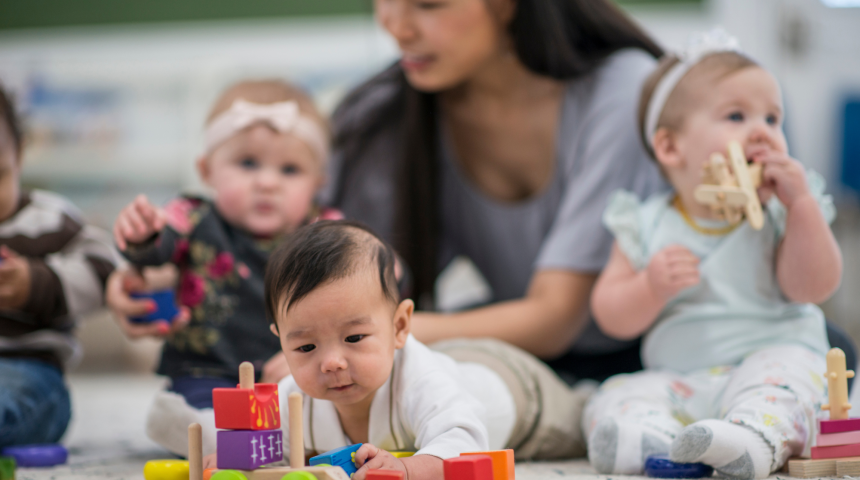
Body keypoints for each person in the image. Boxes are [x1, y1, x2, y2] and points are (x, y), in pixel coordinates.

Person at [326, 0, 666, 381]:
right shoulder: (381, 114)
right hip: (515, 359)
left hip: (649, 366)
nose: (396, 27)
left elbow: (554, 319)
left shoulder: (623, 88)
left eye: (428, 4)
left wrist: (355, 336)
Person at [582, 32, 842, 479]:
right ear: (670, 147)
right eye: (737, 115)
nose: (763, 131)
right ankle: (653, 438)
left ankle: (751, 438)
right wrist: (649, 287)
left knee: (785, 387)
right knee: (616, 393)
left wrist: (801, 207)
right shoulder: (642, 222)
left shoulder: (783, 211)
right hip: (684, 378)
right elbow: (610, 315)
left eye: (773, 118)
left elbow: (813, 287)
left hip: (772, 358)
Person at [205, 220, 589, 477]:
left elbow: (466, 441)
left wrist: (409, 470)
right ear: (281, 342)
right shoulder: (294, 398)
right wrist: (234, 463)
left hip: (517, 390)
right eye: (305, 346)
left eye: (354, 338)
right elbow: (270, 451)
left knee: (579, 419)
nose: (332, 362)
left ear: (400, 326)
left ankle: (589, 396)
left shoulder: (420, 380)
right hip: (453, 361)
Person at [112, 79, 341, 456]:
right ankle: (199, 430)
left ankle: (271, 438)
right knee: (199, 410)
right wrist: (143, 236)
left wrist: (384, 266)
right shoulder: (192, 216)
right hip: (208, 370)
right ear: (207, 170)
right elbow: (159, 247)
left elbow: (360, 270)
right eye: (247, 163)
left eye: (289, 170)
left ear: (318, 183)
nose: (267, 182)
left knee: (322, 409)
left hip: (294, 370)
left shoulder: (325, 229)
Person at [0, 84, 119, 447]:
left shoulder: (48, 219)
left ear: (19, 157)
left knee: (21, 399)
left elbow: (104, 270)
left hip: (27, 367)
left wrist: (36, 284)